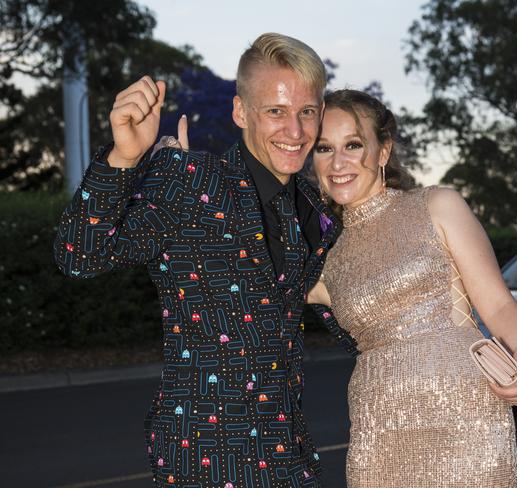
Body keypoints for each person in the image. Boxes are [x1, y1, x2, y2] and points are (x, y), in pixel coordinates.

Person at [54, 33, 342, 488]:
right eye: (275, 111)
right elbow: (79, 255)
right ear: (240, 112)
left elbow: (347, 318)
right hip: (202, 459)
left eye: (307, 111)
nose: (295, 131)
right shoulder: (192, 181)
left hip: (290, 459)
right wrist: (125, 157)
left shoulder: (316, 207)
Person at [307, 89, 517, 487]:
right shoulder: (323, 258)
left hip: (465, 424)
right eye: (324, 148)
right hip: (378, 433)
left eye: (353, 144)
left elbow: (497, 305)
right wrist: (177, 179)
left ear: (383, 151)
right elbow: (235, 269)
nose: (338, 162)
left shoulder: (437, 206)